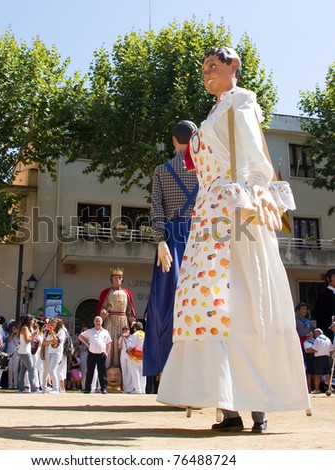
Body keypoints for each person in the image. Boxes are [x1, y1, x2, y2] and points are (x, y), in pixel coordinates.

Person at [157, 46, 310, 433]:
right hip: (208, 216)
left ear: (234, 69)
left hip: (235, 210)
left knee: (244, 299)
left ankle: (257, 403)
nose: (207, 72)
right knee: (211, 307)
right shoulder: (213, 113)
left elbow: (257, 161)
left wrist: (256, 195)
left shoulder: (240, 103)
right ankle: (227, 406)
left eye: (214, 66)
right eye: (204, 67)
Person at [143, 120, 198, 378]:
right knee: (201, 304)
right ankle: (199, 373)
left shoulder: (162, 170)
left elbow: (156, 209)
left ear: (174, 141)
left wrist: (160, 241)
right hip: (203, 238)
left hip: (172, 240)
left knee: (165, 305)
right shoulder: (207, 170)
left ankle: (167, 373)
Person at [97, 268, 136, 368]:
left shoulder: (127, 293)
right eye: (115, 278)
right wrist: (103, 314)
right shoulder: (106, 292)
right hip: (110, 321)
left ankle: (123, 373)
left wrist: (132, 321)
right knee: (109, 344)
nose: (118, 280)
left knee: (123, 344)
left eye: (120, 278)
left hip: (123, 321)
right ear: (111, 279)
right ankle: (107, 371)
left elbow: (130, 311)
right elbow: (101, 310)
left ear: (122, 279)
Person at [78, 316, 112, 394]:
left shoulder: (105, 332)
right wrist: (87, 344)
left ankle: (103, 388)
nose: (98, 323)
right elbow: (80, 336)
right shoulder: (89, 331)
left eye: (99, 321)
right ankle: (87, 388)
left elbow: (108, 342)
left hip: (101, 354)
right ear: (94, 322)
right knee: (90, 372)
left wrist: (107, 353)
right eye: (96, 321)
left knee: (102, 372)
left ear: (102, 322)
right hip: (92, 354)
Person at [41, 317, 66, 394]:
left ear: (58, 323)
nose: (52, 323)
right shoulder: (48, 332)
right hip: (49, 352)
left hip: (57, 353)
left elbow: (57, 341)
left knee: (52, 370)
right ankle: (51, 388)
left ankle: (56, 388)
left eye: (54, 322)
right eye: (51, 322)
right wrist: (52, 341)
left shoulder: (61, 331)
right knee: (49, 370)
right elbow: (45, 342)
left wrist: (52, 336)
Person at [17, 314, 40, 393]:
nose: (34, 321)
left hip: (23, 351)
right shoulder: (25, 328)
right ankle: (33, 388)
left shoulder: (24, 328)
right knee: (31, 369)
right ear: (29, 321)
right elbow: (27, 340)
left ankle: (21, 388)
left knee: (23, 370)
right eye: (33, 320)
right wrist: (34, 335)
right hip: (25, 352)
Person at [310, 328, 334, 394]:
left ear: (318, 333)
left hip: (319, 358)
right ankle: (330, 387)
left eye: (315, 333)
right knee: (327, 374)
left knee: (317, 374)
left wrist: (308, 350)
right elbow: (332, 350)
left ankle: (317, 389)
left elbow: (315, 349)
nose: (314, 335)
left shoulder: (318, 339)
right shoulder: (327, 339)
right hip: (327, 358)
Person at [313, 269, 335, 342]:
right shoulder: (323, 294)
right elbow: (320, 314)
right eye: (334, 276)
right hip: (328, 329)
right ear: (328, 279)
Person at [127, 322, 146, 394]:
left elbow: (132, 346)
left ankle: (137, 389)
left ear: (135, 328)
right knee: (143, 373)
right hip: (144, 355)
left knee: (135, 372)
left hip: (135, 355)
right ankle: (143, 389)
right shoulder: (145, 334)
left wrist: (128, 352)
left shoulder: (134, 335)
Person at [118, 326, 134, 393]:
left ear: (129, 331)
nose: (125, 332)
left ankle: (131, 388)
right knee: (124, 371)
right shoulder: (121, 338)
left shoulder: (132, 337)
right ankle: (125, 388)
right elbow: (119, 347)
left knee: (130, 371)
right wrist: (122, 338)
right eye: (124, 330)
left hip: (130, 354)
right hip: (123, 353)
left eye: (126, 330)